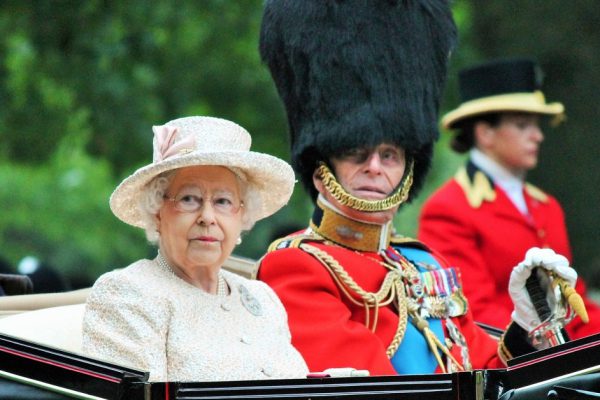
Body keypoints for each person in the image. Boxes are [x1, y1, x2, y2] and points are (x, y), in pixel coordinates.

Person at [256, 0, 578, 375]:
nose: (374, 167)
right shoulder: (296, 266)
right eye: (355, 151)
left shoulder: (425, 262)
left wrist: (528, 326)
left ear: (409, 167)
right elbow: (375, 389)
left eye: (390, 155)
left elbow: (485, 370)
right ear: (320, 165)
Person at [82, 116, 308, 381]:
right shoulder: (127, 294)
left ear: (242, 216)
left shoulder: (262, 298)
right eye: (189, 199)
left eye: (223, 201)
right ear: (157, 213)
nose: (208, 217)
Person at [418, 58, 600, 339]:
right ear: (485, 133)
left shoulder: (547, 206)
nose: (538, 136)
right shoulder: (448, 209)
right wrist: (555, 344)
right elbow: (473, 313)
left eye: (537, 125)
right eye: (522, 125)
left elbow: (573, 302)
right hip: (509, 366)